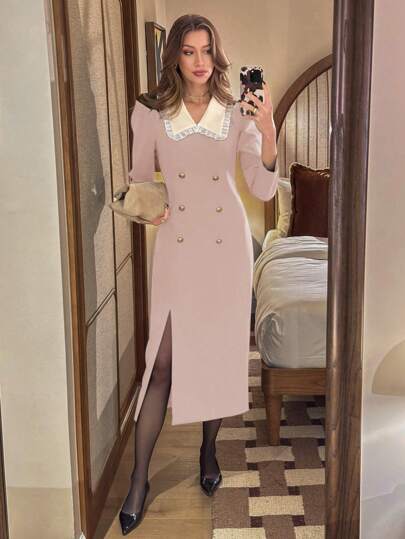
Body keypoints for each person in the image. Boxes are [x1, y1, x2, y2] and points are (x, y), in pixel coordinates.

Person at [119, 13, 279, 536]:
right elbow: (139, 179)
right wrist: (152, 209)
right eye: (189, 51)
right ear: (175, 57)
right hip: (179, 246)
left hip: (226, 247)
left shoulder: (236, 113)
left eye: (206, 50)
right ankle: (138, 481)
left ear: (217, 54)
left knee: (214, 354)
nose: (200, 61)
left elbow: (261, 186)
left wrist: (267, 126)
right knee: (161, 362)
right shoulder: (150, 112)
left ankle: (208, 451)